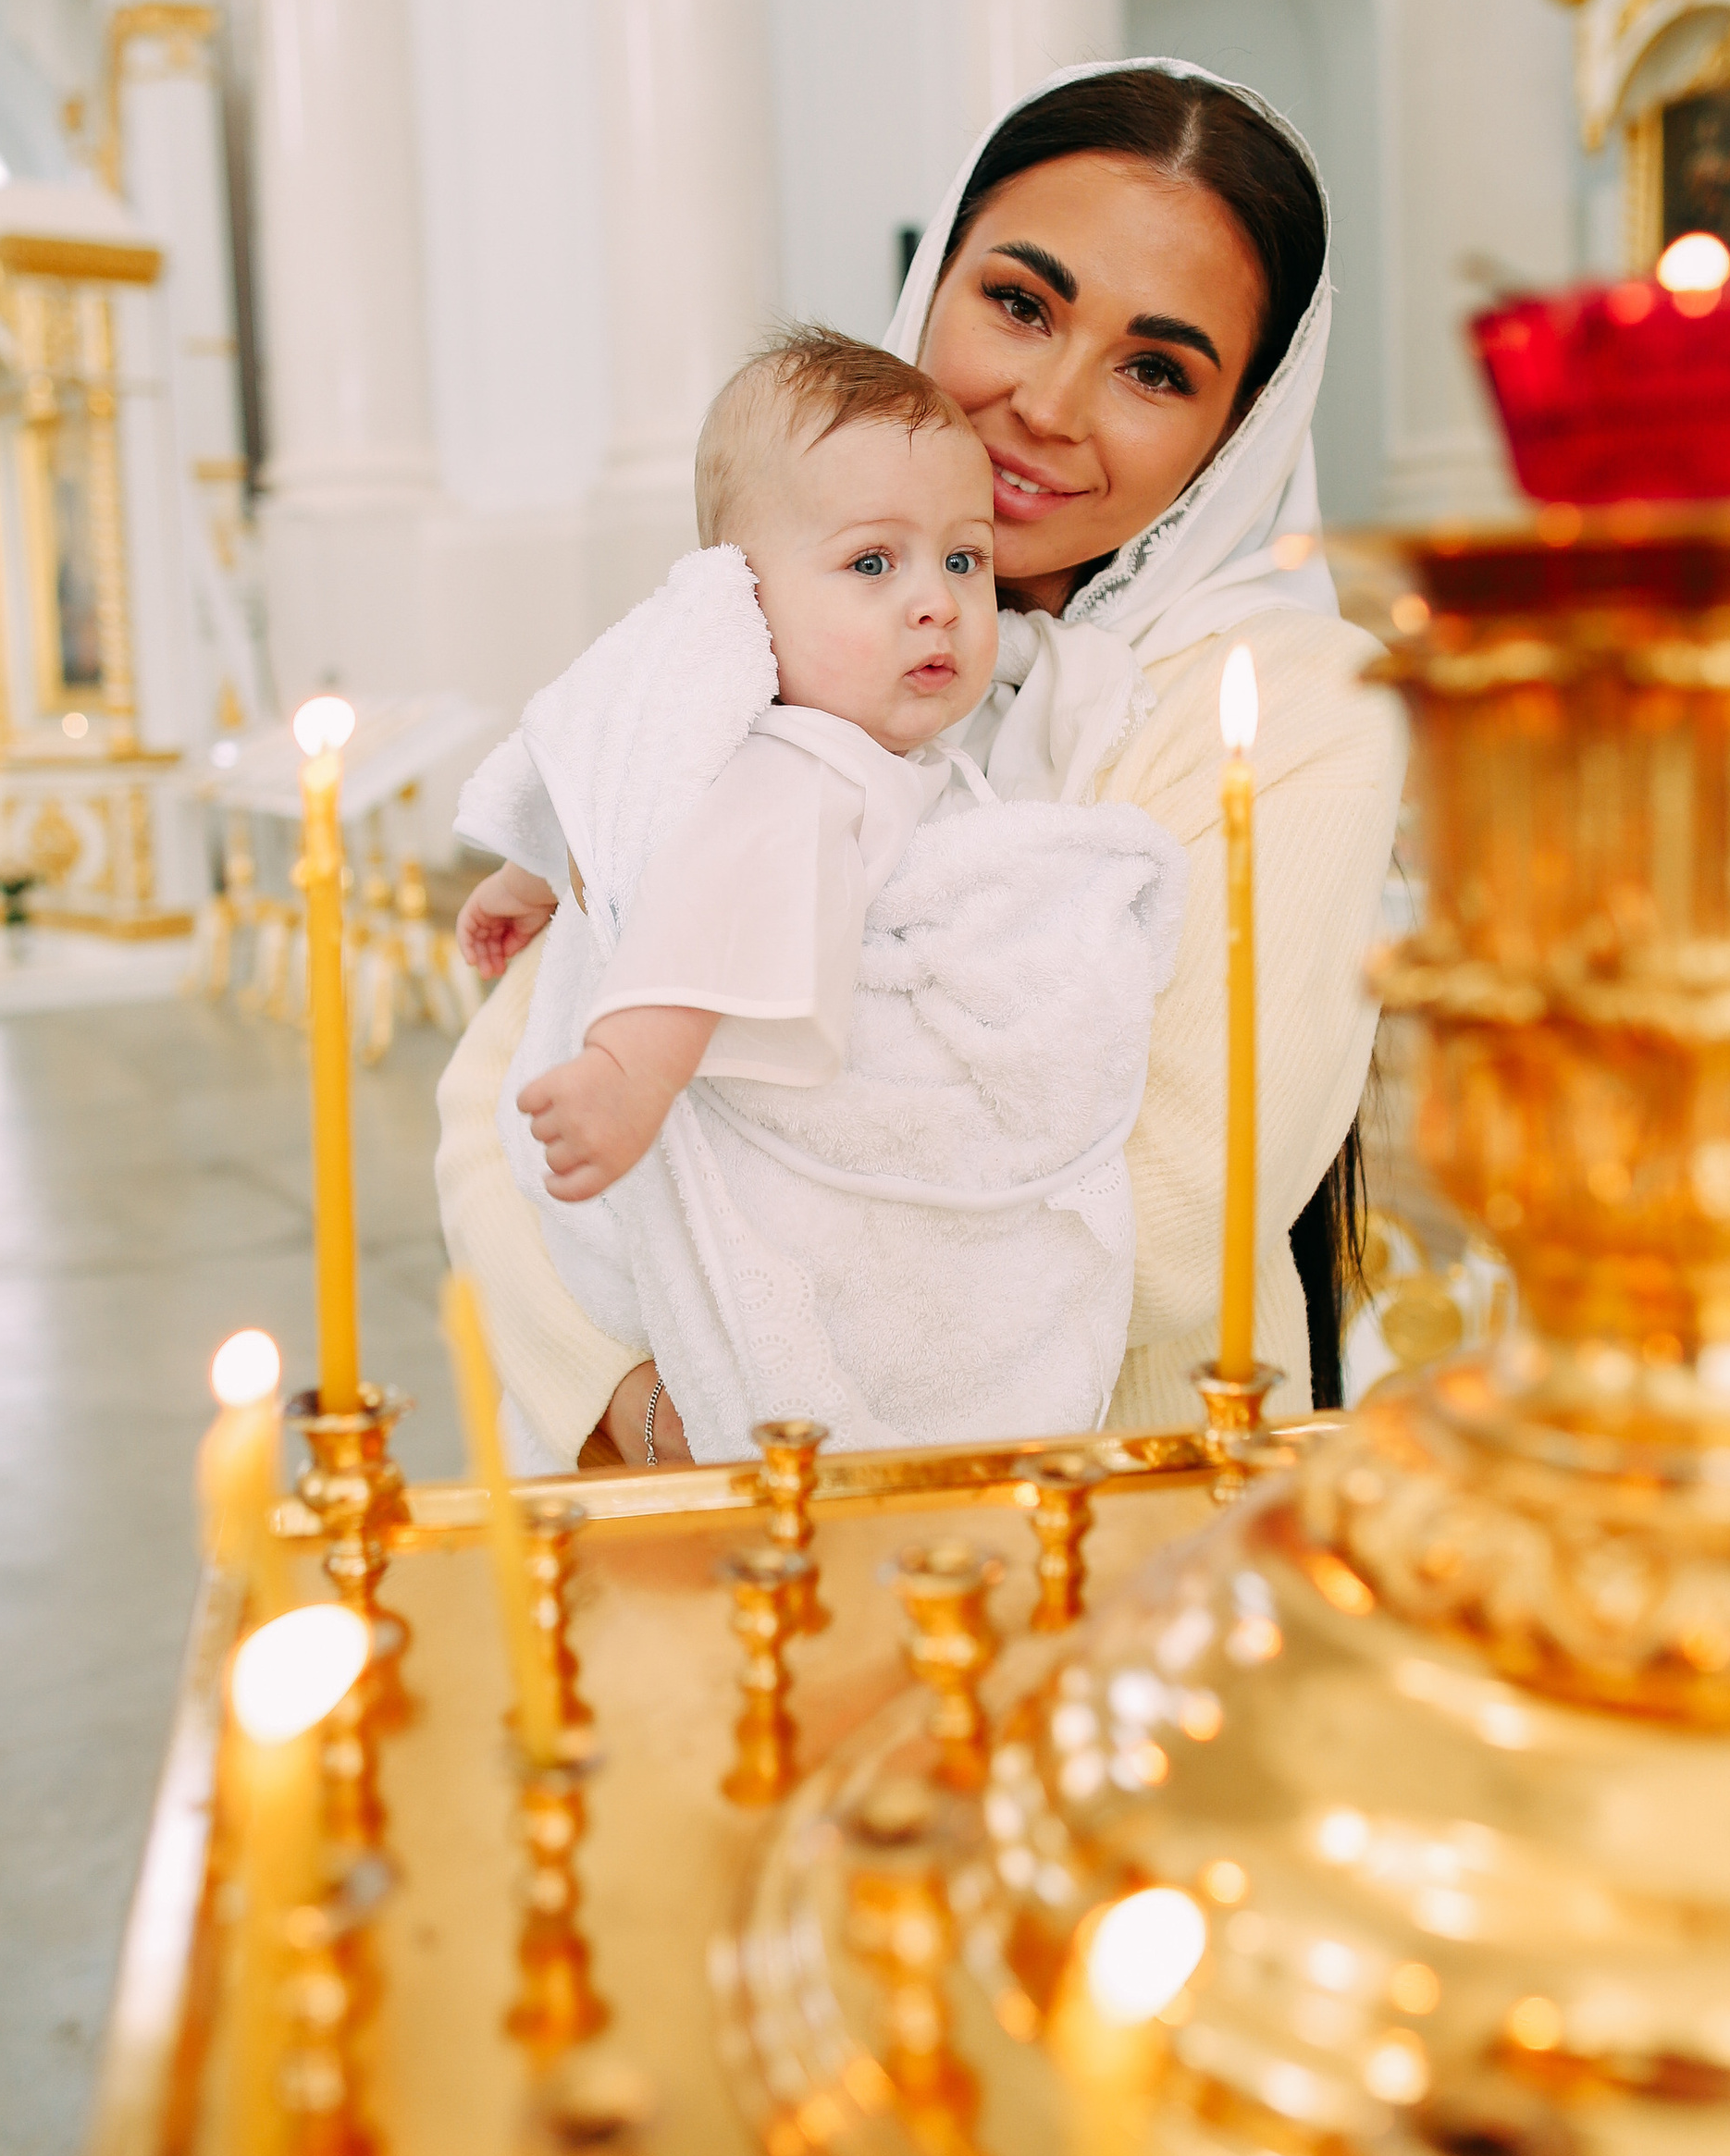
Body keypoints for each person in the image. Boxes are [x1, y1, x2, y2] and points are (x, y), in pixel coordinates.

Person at [436, 58, 1406, 1466]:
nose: (1050, 404)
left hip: (1091, 1495)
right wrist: (640, 1401)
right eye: (1020, 303)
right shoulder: (762, 620)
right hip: (683, 1465)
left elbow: (1184, 1207)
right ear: (936, 284)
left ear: (1236, 433)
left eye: (1155, 369)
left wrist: (776, 1390)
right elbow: (495, 1094)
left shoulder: (1293, 704)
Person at [450, 327, 1183, 1461]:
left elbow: (615, 809)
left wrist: (530, 878)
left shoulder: (857, 753)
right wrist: (629, 1073)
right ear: (744, 606)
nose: (936, 604)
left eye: (963, 559)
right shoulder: (799, 770)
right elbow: (703, 913)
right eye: (873, 566)